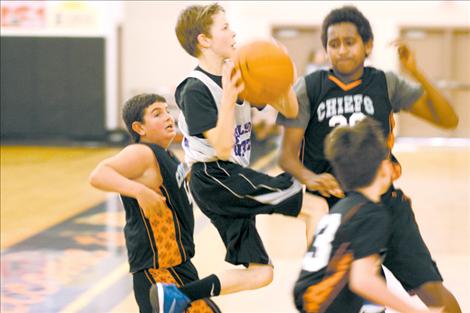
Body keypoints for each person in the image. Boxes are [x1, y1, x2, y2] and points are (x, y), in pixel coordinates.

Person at [277, 5, 461, 313]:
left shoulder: (386, 83)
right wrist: (310, 178)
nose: (342, 50)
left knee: (434, 293)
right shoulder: (310, 88)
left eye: (349, 42)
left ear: (368, 46)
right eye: (333, 44)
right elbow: (286, 157)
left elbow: (448, 119)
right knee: (356, 304)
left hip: (385, 202)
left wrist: (415, 72)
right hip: (339, 212)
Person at [148, 3, 321, 313]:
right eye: (225, 27)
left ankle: (177, 296)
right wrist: (228, 98)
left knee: (261, 273)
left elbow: (291, 110)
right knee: (315, 205)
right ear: (204, 40)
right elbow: (224, 147)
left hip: (228, 179)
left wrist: (282, 73)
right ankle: (322, 292)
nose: (233, 32)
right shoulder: (194, 89)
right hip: (215, 177)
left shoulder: (238, 73)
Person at [294, 117, 442, 313]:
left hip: (314, 300)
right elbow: (362, 281)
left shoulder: (343, 208)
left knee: (374, 304)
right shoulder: (371, 213)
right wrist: (415, 311)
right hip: (327, 304)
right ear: (384, 169)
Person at [89, 94, 220, 313]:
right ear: (139, 128)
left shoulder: (167, 155)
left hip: (178, 265)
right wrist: (139, 191)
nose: (168, 117)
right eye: (157, 114)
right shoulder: (141, 152)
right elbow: (99, 174)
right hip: (160, 270)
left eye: (167, 111)